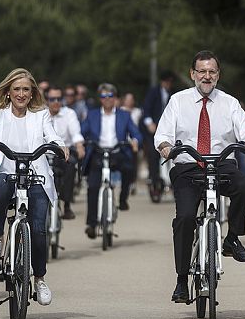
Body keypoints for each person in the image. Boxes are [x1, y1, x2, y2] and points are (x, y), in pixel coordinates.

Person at [155, 50, 245, 303]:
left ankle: (232, 239)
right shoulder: (177, 101)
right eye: (201, 71)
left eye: (212, 71)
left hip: (221, 164)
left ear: (218, 75)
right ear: (192, 74)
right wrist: (167, 147)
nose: (207, 76)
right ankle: (181, 281)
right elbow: (162, 135)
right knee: (185, 218)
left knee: (244, 187)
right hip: (188, 167)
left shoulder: (230, 103)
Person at [0, 68, 69, 306]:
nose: (21, 94)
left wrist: (60, 146)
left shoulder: (41, 115)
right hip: (7, 172)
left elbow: (52, 136)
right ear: (8, 92)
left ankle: (40, 279)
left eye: (26, 89)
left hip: (35, 174)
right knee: (0, 184)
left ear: (32, 92)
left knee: (38, 229)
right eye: (17, 89)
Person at [81, 83, 142, 239]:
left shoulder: (124, 115)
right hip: (98, 152)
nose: (107, 99)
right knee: (93, 186)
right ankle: (92, 224)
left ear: (115, 98)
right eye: (103, 96)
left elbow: (136, 133)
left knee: (129, 170)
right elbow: (81, 132)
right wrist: (79, 142)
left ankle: (123, 199)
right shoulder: (92, 114)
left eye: (110, 96)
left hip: (118, 151)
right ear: (100, 99)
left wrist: (135, 140)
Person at [46, 86, 85, 219]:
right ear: (47, 100)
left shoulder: (69, 113)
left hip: (64, 153)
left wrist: (79, 145)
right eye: (52, 99)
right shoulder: (40, 114)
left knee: (71, 165)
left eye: (59, 98)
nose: (56, 101)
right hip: (44, 154)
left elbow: (75, 133)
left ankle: (66, 204)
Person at [143, 70, 175, 202]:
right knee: (152, 154)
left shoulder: (174, 94)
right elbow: (146, 109)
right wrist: (149, 123)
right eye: (166, 82)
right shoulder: (153, 92)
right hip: (155, 130)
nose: (168, 84)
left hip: (171, 131)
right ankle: (155, 182)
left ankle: (175, 184)